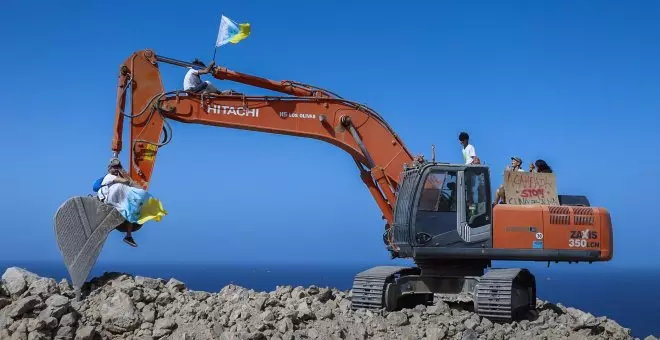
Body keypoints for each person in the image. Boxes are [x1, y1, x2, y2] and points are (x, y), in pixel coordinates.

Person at [95, 158, 141, 247]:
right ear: (109, 169)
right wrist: (122, 171)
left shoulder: (114, 178)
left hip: (113, 202)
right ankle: (128, 236)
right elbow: (127, 181)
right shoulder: (109, 176)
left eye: (118, 167)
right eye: (114, 167)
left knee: (130, 210)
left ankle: (128, 236)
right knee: (130, 210)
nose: (116, 169)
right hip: (107, 203)